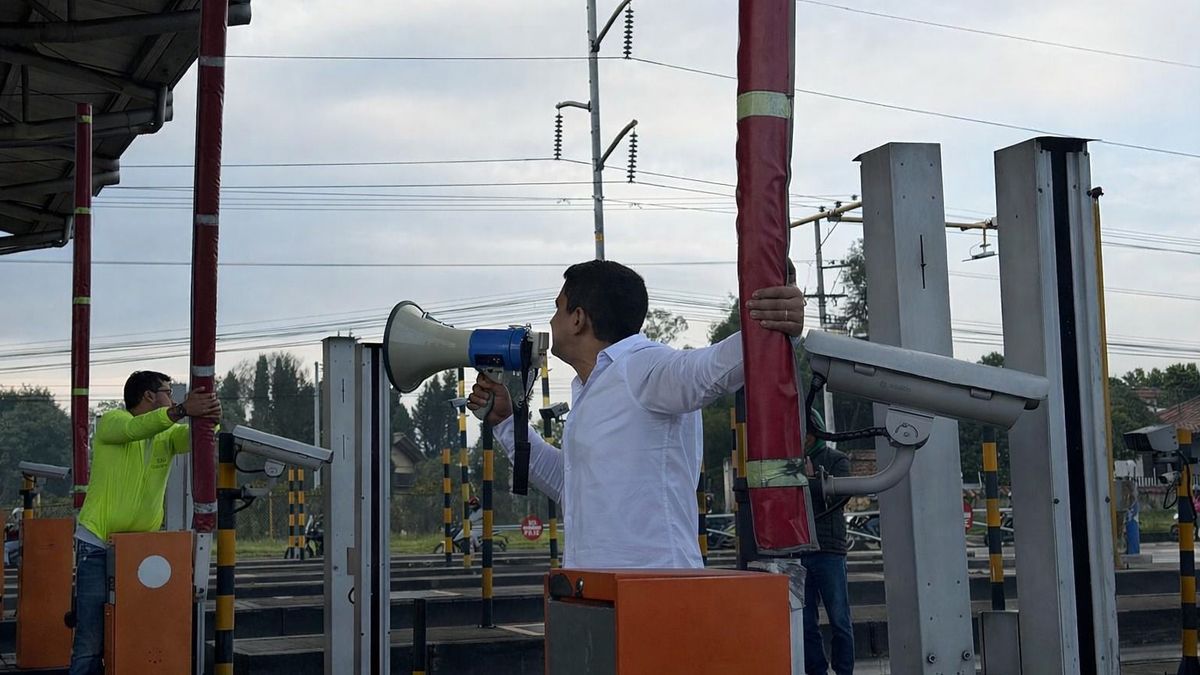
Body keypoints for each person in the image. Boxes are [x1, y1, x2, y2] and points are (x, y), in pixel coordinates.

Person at [468, 259, 805, 568]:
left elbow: (707, 370)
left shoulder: (643, 366)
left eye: (557, 308)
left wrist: (768, 325)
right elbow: (567, 482)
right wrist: (507, 423)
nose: (552, 320)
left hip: (656, 593)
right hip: (598, 593)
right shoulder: (590, 389)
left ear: (578, 318)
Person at [68, 371, 221, 675]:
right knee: (90, 639)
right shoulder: (113, 422)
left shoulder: (165, 435)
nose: (174, 398)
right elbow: (137, 429)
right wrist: (182, 411)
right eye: (168, 392)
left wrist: (211, 413)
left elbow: (198, 435)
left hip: (141, 548)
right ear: (150, 396)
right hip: (97, 544)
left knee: (138, 631)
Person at [801, 411, 854, 675]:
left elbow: (838, 500)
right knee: (805, 620)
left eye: (806, 431)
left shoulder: (837, 460)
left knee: (839, 618)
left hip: (829, 550)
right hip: (799, 549)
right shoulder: (790, 463)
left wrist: (811, 482)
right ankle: (816, 670)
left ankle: (844, 670)